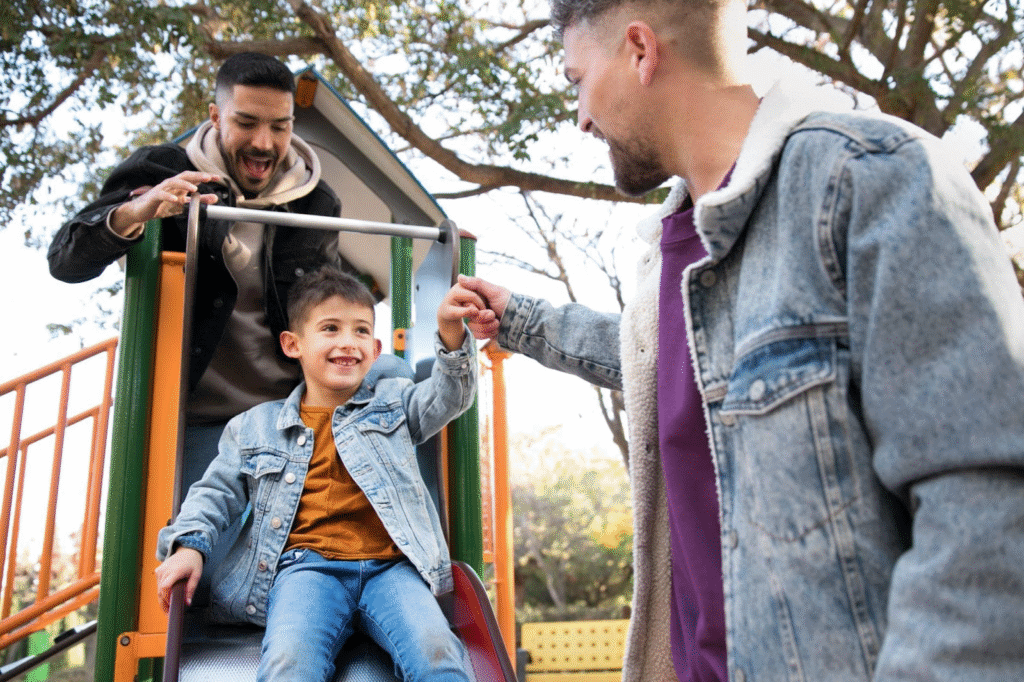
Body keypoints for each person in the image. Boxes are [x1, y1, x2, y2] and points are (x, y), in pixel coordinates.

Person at [460, 0, 1024, 680]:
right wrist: (518, 318)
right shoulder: (672, 253)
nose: (580, 116)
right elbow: (659, 366)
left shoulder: (866, 177)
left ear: (640, 51)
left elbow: (988, 511)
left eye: (578, 81)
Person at [154, 266, 484, 682]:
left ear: (377, 346)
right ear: (293, 344)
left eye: (362, 331)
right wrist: (189, 546)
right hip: (306, 570)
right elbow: (214, 494)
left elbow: (449, 395)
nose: (348, 342)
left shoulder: (395, 405)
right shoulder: (255, 427)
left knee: (438, 655)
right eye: (331, 328)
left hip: (393, 569)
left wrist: (452, 334)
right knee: (289, 665)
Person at [48, 51, 368, 469]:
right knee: (201, 529)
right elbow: (66, 260)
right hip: (196, 418)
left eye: (280, 126)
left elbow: (327, 303)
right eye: (246, 123)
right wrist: (137, 211)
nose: (263, 143)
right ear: (216, 117)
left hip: (288, 416)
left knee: (398, 381)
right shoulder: (164, 170)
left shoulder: (315, 201)